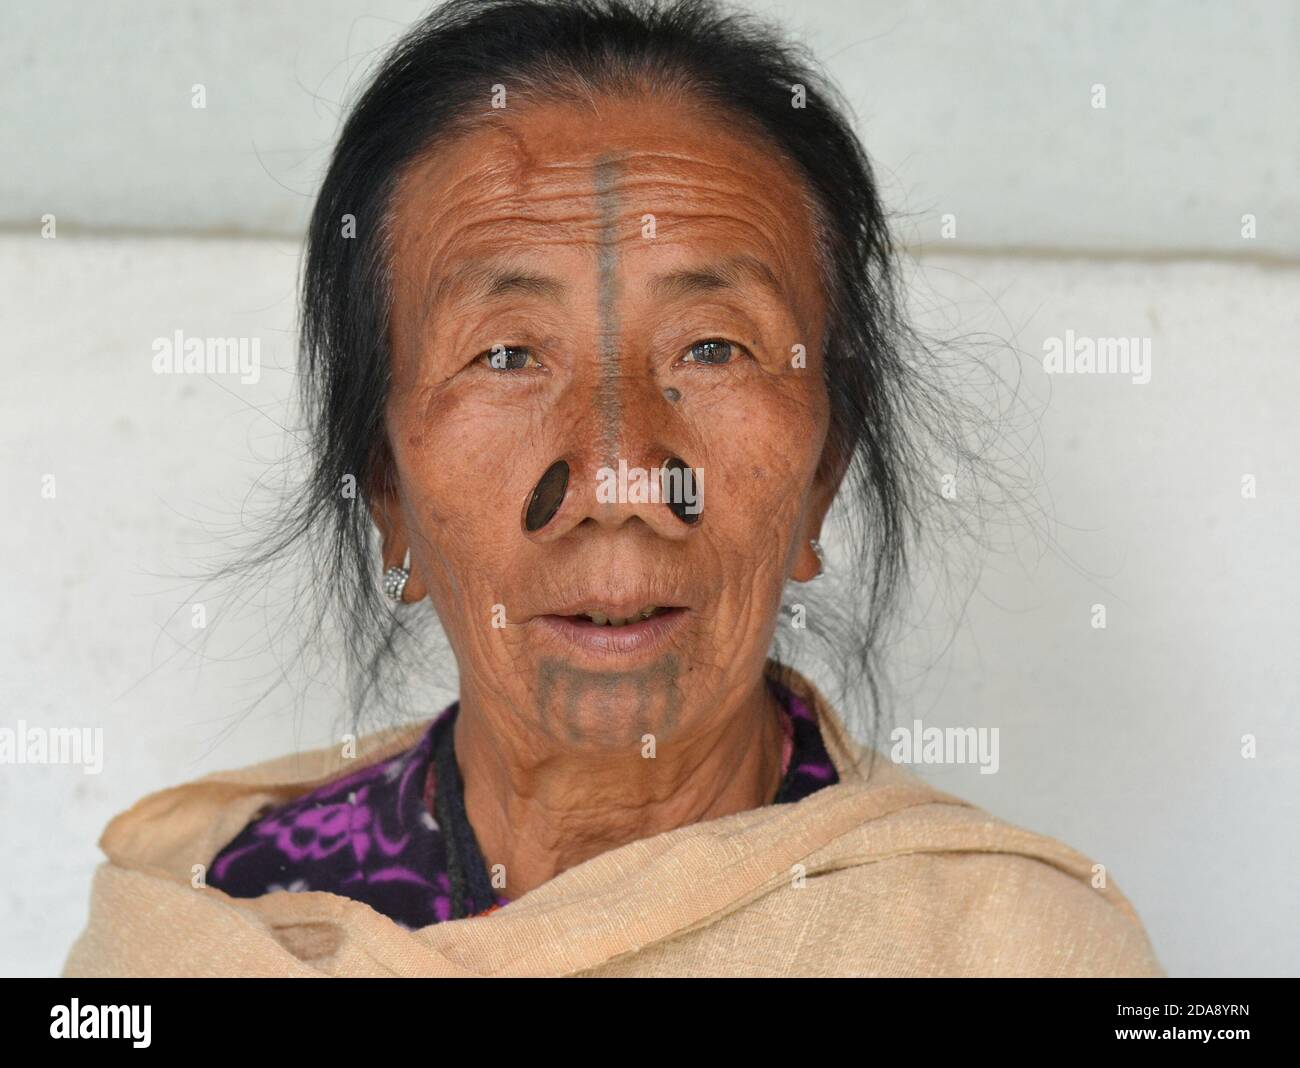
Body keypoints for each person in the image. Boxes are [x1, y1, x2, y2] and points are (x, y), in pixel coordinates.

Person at [64, 0, 1164, 977]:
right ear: (387, 489)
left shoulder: (1007, 951)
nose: (618, 479)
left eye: (714, 350)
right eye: (505, 356)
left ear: (822, 478)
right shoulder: (218, 934)